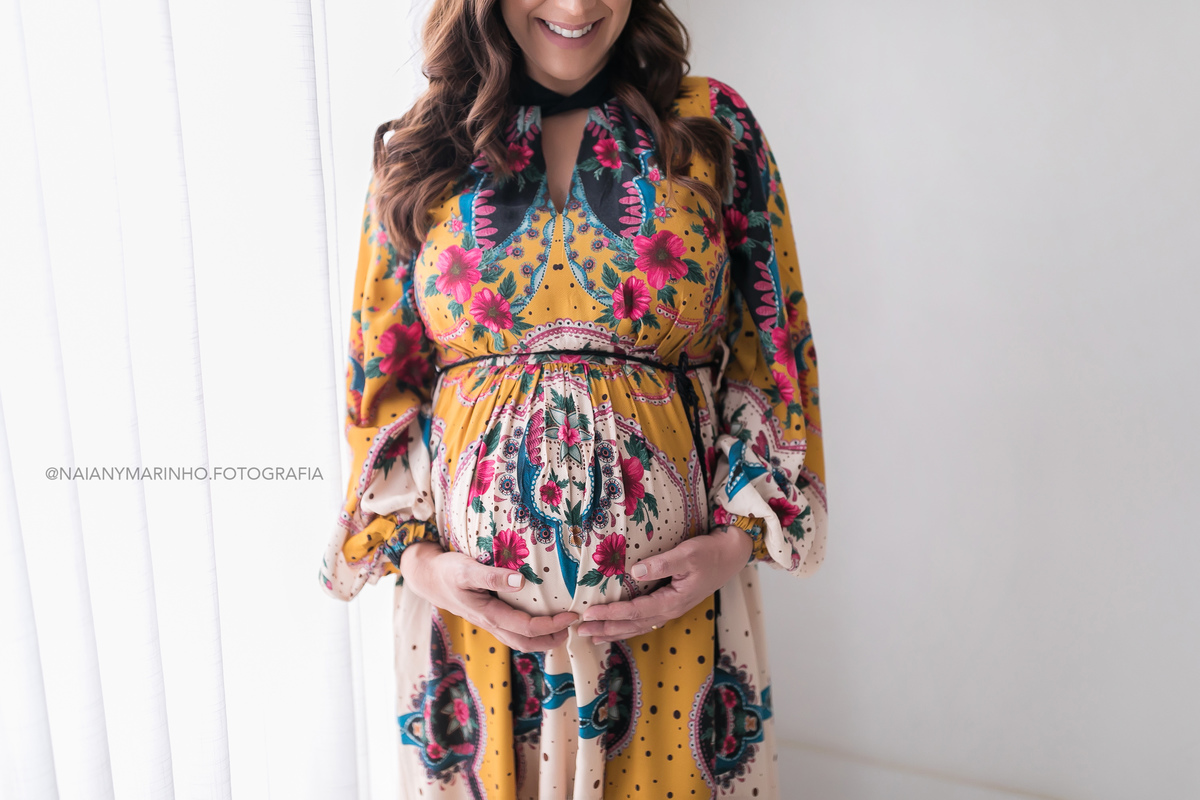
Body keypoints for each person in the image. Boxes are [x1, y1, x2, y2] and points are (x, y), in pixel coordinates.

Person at [318, 0, 827, 796]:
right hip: (477, 642)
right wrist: (421, 564)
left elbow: (775, 349)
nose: (577, 6)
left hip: (676, 630)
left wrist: (735, 543)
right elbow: (377, 382)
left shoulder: (710, 125)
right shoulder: (424, 147)